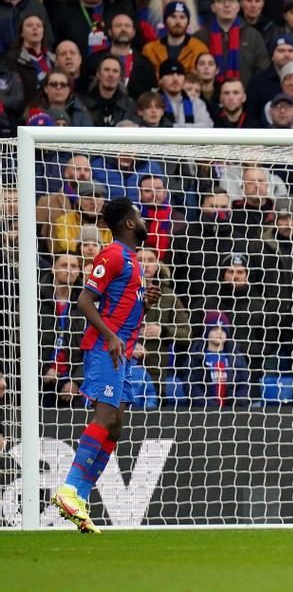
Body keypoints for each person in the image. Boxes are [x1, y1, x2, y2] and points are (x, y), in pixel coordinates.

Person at [51, 197, 159, 534]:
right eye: (139, 216)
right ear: (128, 223)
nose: (143, 220)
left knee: (115, 427)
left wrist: (145, 302)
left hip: (121, 351)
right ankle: (69, 488)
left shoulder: (131, 261)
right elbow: (84, 300)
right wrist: (110, 336)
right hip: (105, 348)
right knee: (104, 417)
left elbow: (123, 307)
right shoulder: (112, 255)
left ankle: (79, 497)